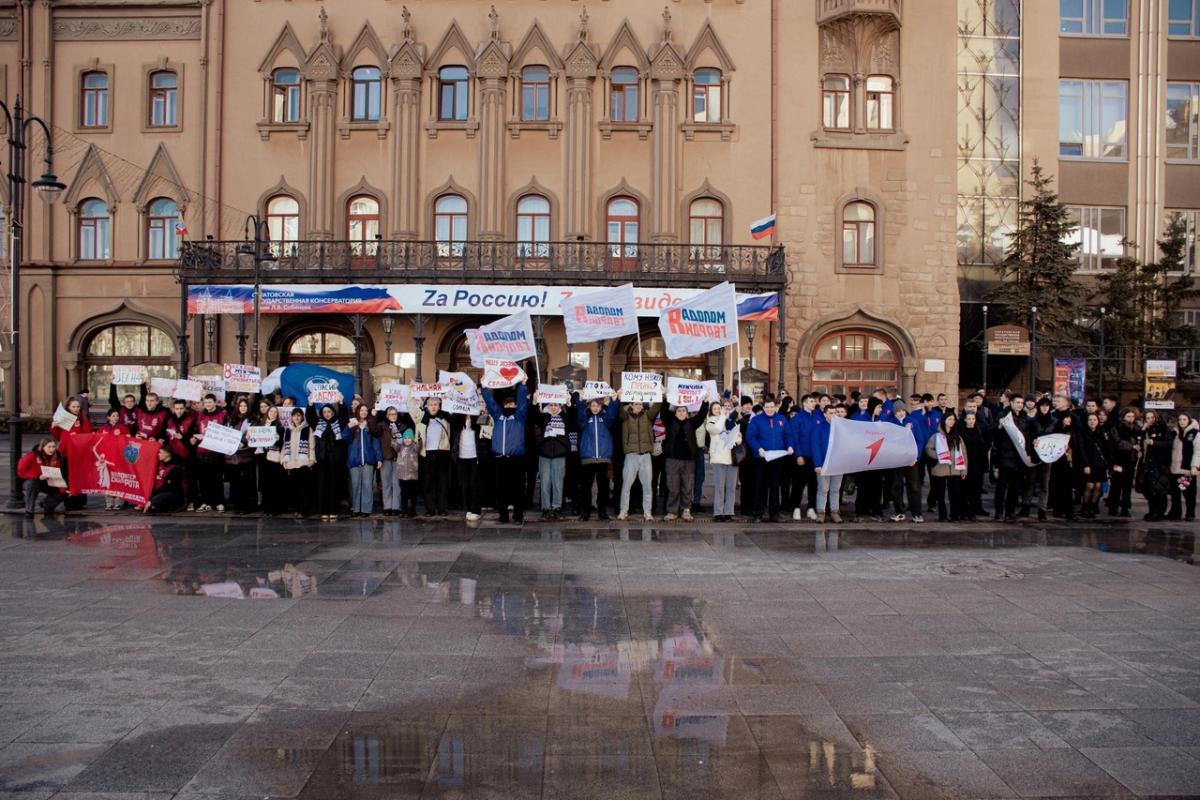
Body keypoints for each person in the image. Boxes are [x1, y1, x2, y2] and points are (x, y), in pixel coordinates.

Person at [482, 381, 530, 524]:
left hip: (516, 459)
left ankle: (518, 515)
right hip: (500, 458)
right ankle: (503, 515)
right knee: (501, 488)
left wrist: (522, 385)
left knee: (518, 488)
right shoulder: (498, 416)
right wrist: (484, 387)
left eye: (512, 405)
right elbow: (490, 403)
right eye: (507, 404)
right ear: (503, 405)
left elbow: (522, 403)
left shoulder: (519, 417)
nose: (510, 406)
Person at [746, 397, 791, 522]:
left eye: (772, 407)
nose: (770, 409)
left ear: (775, 407)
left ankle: (774, 513)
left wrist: (790, 446)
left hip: (777, 458)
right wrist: (758, 448)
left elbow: (788, 435)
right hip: (761, 458)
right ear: (763, 407)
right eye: (767, 407)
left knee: (775, 486)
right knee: (759, 485)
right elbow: (750, 437)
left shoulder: (782, 419)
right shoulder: (756, 420)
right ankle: (758, 513)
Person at [662, 401, 709, 521]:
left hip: (688, 461)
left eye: (684, 411)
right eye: (679, 410)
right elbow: (664, 413)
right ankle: (672, 511)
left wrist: (706, 401)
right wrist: (666, 397)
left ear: (687, 414)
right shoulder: (670, 422)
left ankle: (686, 510)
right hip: (672, 460)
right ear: (675, 412)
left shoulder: (691, 423)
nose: (681, 413)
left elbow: (701, 415)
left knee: (687, 486)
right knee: (673, 486)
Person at [576, 392, 619, 521]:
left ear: (601, 407)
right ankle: (585, 512)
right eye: (593, 405)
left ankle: (602, 512)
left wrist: (614, 401)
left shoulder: (605, 419)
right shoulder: (585, 420)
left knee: (603, 487)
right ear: (589, 406)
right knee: (586, 487)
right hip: (588, 458)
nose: (595, 408)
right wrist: (580, 400)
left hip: (603, 458)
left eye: (597, 406)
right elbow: (580, 414)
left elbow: (612, 415)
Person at [617, 395, 660, 521]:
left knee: (647, 486)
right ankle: (623, 510)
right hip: (631, 455)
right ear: (631, 405)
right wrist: (619, 398)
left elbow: (657, 407)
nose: (638, 406)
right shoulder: (625, 416)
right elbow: (619, 410)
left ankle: (647, 512)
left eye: (640, 404)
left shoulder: (647, 415)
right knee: (626, 486)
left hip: (646, 455)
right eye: (636, 404)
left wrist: (661, 394)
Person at [992, 395, 1031, 522]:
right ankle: (999, 512)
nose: (1020, 404)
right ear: (1012, 403)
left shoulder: (1025, 418)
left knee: (1014, 487)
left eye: (1021, 402)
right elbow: (994, 434)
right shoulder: (1003, 415)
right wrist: (999, 427)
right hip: (1005, 456)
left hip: (1019, 457)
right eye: (1017, 402)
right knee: (1002, 486)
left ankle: (1010, 512)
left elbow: (1029, 436)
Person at [414, 396, 453, 517]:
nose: (433, 406)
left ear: (440, 406)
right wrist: (412, 390)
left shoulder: (445, 418)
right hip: (427, 453)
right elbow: (410, 407)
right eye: (431, 404)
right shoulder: (421, 418)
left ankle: (442, 508)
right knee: (428, 482)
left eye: (436, 404)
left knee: (442, 482)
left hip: (442, 452)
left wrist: (449, 395)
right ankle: (430, 509)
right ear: (426, 406)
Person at [926, 414, 968, 522]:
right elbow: (928, 449)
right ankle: (942, 516)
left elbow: (963, 453)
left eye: (953, 419)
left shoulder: (957, 437)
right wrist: (939, 456)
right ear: (944, 421)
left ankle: (954, 516)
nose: (952, 421)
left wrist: (964, 469)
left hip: (955, 470)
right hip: (940, 470)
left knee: (955, 494)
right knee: (940, 495)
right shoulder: (936, 436)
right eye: (949, 419)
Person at [535, 399, 571, 521]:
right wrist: (535, 401)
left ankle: (557, 507)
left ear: (560, 406)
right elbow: (533, 419)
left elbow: (572, 417)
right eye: (551, 405)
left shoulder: (564, 417)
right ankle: (545, 508)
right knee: (545, 483)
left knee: (558, 483)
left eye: (556, 405)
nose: (554, 408)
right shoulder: (543, 417)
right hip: (544, 454)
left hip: (559, 454)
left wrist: (569, 402)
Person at [312, 402, 349, 521]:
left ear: (333, 412)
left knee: (334, 486)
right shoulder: (318, 424)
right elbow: (310, 417)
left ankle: (334, 510)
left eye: (329, 412)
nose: (327, 414)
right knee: (322, 486)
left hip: (335, 460)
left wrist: (341, 404)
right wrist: (310, 405)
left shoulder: (338, 423)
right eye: (325, 412)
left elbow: (344, 416)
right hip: (322, 460)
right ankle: (323, 511)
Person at [706, 401, 741, 522]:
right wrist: (722, 417)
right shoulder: (710, 421)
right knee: (719, 486)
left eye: (719, 408)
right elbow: (716, 429)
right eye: (715, 408)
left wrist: (736, 439)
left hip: (731, 458)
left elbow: (738, 438)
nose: (718, 410)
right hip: (718, 457)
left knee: (731, 486)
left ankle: (729, 512)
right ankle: (718, 512)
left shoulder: (731, 421)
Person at [192, 394, 228, 512]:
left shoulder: (222, 413)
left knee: (216, 479)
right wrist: (194, 438)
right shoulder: (201, 414)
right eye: (206, 402)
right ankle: (206, 502)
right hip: (202, 451)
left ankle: (219, 502)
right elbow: (196, 429)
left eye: (210, 402)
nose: (208, 404)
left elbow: (227, 430)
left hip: (216, 452)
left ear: (215, 402)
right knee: (203, 480)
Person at [1137, 410, 1175, 522]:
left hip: (1159, 463)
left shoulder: (1163, 429)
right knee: (1147, 489)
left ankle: (1159, 512)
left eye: (1151, 418)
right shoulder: (1145, 430)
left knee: (1159, 489)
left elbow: (1169, 443)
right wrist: (1143, 430)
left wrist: (1155, 443)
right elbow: (1140, 441)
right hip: (1147, 462)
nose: (1149, 420)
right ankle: (1152, 511)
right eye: (1147, 418)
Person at [346, 403, 382, 517]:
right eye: (362, 410)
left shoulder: (370, 425)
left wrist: (379, 458)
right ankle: (355, 508)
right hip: (354, 460)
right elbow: (344, 438)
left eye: (366, 410)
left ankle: (366, 509)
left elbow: (376, 443)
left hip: (368, 459)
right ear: (357, 411)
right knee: (355, 485)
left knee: (367, 485)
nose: (364, 412)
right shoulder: (352, 423)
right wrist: (349, 427)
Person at [811, 405, 845, 522]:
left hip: (837, 463)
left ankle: (835, 512)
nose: (833, 415)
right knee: (823, 489)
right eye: (830, 413)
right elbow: (815, 446)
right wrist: (817, 464)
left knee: (835, 489)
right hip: (824, 463)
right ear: (825, 414)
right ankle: (821, 512)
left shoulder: (840, 428)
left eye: (834, 413)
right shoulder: (819, 428)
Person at [787, 394, 819, 521]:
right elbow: (794, 438)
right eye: (811, 401)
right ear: (805, 404)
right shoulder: (797, 419)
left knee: (813, 483)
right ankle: (796, 507)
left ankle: (811, 508)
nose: (814, 403)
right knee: (798, 483)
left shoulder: (817, 417)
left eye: (814, 401)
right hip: (802, 455)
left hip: (815, 456)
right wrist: (798, 455)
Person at [225, 396, 258, 514]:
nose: (242, 408)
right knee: (236, 481)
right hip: (233, 456)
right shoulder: (231, 419)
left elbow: (252, 434)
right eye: (241, 406)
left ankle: (247, 506)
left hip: (246, 455)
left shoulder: (252, 419)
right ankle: (237, 505)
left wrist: (242, 443)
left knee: (246, 482)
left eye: (245, 406)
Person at [373, 406, 408, 517]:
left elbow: (405, 442)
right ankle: (387, 507)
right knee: (386, 483)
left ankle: (396, 507)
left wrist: (397, 432)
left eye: (395, 414)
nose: (393, 416)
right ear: (387, 415)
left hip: (398, 458)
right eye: (391, 414)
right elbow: (374, 431)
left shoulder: (402, 426)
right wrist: (375, 414)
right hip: (386, 458)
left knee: (396, 483)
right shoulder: (382, 426)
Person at [164, 399, 199, 511]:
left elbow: (193, 440)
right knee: (175, 481)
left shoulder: (191, 420)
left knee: (190, 480)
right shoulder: (170, 420)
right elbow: (165, 437)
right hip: (174, 455)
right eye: (177, 409)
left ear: (185, 409)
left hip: (188, 456)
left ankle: (192, 501)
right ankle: (178, 502)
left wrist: (182, 438)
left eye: (181, 409)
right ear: (173, 409)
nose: (179, 411)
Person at [18, 438, 66, 517]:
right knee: (32, 485)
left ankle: (47, 505)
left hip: (49, 480)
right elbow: (21, 471)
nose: (52, 449)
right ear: (43, 447)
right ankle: (29, 511)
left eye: (53, 447)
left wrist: (64, 490)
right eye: (49, 447)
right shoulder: (32, 455)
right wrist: (37, 476)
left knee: (62, 493)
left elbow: (59, 475)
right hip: (32, 480)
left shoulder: (57, 457)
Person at [281, 407, 316, 517]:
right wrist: (283, 460)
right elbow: (284, 446)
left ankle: (304, 510)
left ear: (302, 417)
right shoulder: (288, 430)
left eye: (299, 415)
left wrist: (311, 460)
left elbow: (312, 446)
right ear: (291, 417)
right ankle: (297, 508)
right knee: (294, 488)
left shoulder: (308, 429)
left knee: (304, 488)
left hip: (303, 462)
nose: (297, 417)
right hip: (291, 463)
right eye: (295, 415)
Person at [1107, 408, 1140, 517]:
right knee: (1116, 485)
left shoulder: (1136, 428)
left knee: (1127, 486)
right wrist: (1132, 446)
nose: (1130, 419)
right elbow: (1118, 443)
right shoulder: (1116, 428)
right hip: (1118, 459)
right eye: (1128, 417)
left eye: (1132, 417)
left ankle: (1125, 508)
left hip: (1130, 461)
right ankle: (1113, 507)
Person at [453, 409, 484, 522]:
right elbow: (454, 425)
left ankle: (475, 509)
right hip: (462, 455)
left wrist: (474, 415)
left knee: (474, 483)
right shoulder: (458, 416)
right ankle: (467, 508)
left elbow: (481, 428)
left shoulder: (477, 416)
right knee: (464, 483)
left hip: (474, 455)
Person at [1048, 415, 1080, 521]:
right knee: (1057, 486)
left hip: (1068, 461)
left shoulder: (1073, 431)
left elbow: (1076, 446)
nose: (1067, 420)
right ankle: (1058, 509)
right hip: (1057, 461)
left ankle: (1068, 510)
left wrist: (1070, 448)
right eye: (1065, 418)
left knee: (1067, 487)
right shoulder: (1056, 430)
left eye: (1069, 419)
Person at [256, 405, 287, 515]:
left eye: (275, 412)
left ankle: (275, 508)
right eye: (271, 411)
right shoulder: (261, 425)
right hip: (263, 457)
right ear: (267, 412)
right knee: (264, 483)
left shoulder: (280, 427)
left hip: (273, 458)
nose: (273, 413)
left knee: (274, 483)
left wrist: (278, 439)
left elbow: (282, 444)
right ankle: (266, 507)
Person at [1169, 412, 1198, 521]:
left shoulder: (1195, 434)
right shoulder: (1174, 433)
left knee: (1188, 493)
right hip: (1174, 468)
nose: (1182, 421)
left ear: (1189, 420)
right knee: (1175, 493)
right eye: (1180, 419)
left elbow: (1198, 452)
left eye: (1184, 419)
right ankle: (1176, 513)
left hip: (1186, 469)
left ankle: (1190, 514)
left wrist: (1195, 466)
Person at [961, 411, 988, 520]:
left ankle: (973, 511)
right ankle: (964, 511)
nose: (971, 421)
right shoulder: (961, 433)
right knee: (964, 489)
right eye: (969, 419)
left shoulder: (979, 432)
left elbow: (983, 450)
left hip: (977, 465)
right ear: (965, 420)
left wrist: (984, 465)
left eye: (973, 419)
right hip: (966, 464)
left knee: (975, 490)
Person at [143, 447, 186, 514]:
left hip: (173, 494)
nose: (158, 454)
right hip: (160, 492)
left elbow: (168, 487)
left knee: (152, 506)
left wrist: (151, 498)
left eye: (160, 452)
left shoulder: (175, 468)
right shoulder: (159, 464)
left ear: (167, 454)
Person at [396, 428, 421, 518]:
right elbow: (395, 445)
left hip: (412, 475)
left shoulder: (414, 447)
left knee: (412, 494)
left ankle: (412, 510)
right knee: (403, 494)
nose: (407, 440)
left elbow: (418, 446)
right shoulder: (400, 446)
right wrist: (395, 436)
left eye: (409, 438)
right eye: (405, 438)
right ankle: (404, 510)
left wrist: (418, 439)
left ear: (412, 439)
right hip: (402, 475)